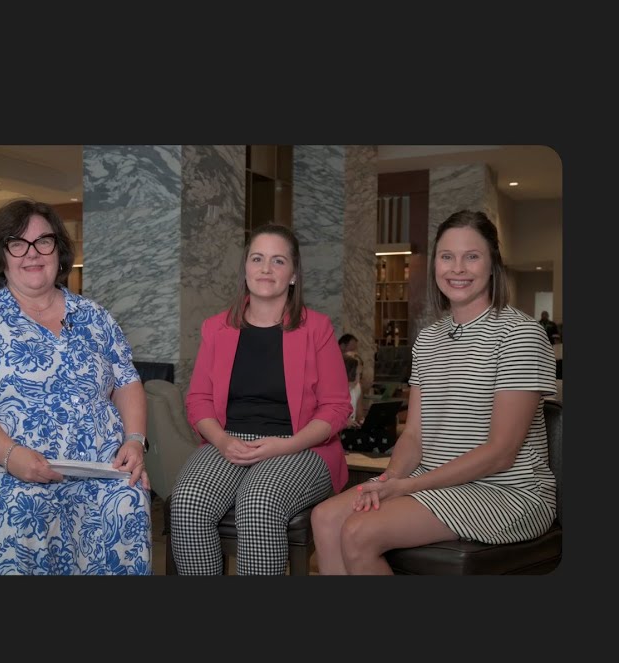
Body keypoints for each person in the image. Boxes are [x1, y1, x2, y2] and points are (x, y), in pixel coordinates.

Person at [310, 210, 557, 574]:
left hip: (505, 491)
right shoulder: (428, 340)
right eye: (447, 256)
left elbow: (501, 454)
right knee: (326, 517)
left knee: (359, 531)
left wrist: (407, 487)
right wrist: (391, 478)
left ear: (493, 264)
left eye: (471, 256)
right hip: (432, 481)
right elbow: (413, 434)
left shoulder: (520, 335)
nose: (458, 268)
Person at [0, 199, 150, 575]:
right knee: (23, 506)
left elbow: (127, 381)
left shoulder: (95, 317)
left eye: (43, 241)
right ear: (1, 254)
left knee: (129, 499)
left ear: (58, 251)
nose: (32, 253)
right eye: (17, 243)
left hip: (95, 469)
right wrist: (10, 455)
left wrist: (134, 440)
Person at [169, 224, 351, 575]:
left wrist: (287, 445)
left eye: (278, 261)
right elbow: (199, 400)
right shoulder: (216, 328)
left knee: (258, 502)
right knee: (188, 502)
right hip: (229, 441)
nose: (266, 269)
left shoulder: (317, 328)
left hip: (300, 445)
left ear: (293, 274)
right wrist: (222, 441)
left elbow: (336, 407)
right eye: (257, 259)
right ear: (246, 268)